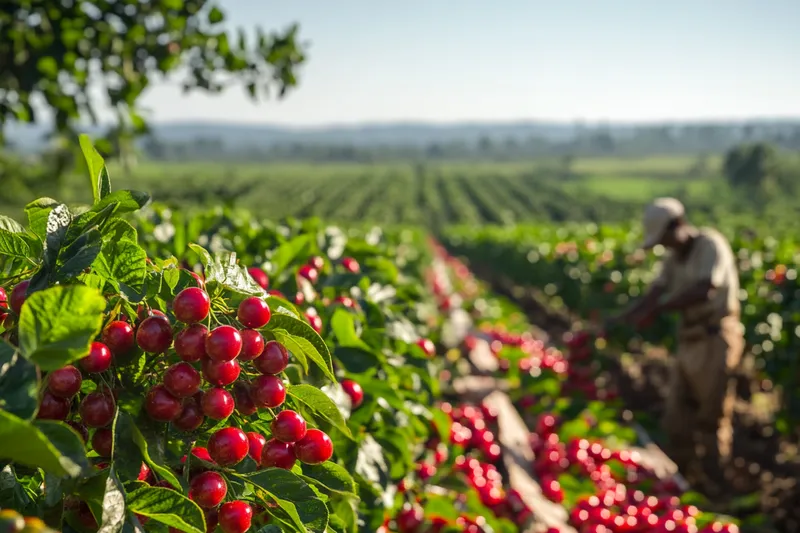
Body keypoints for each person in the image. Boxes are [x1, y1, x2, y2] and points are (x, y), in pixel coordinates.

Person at [609, 197, 744, 497]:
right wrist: (625, 317)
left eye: (665, 238)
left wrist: (659, 310)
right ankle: (685, 481)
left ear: (679, 225)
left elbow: (705, 287)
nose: (665, 246)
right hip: (689, 340)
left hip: (715, 338)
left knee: (711, 416)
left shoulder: (710, 245)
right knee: (676, 416)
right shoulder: (673, 259)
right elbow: (654, 293)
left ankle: (717, 484)